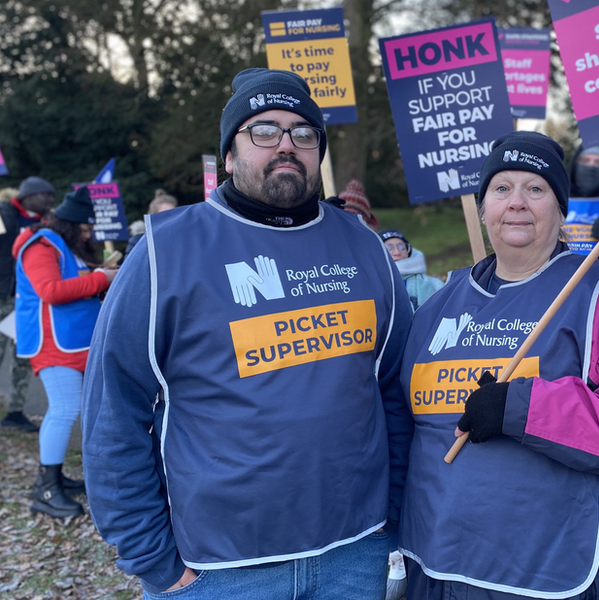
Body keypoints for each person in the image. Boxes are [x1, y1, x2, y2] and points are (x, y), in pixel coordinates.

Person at [82, 68, 414, 599]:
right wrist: (153, 558)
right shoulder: (166, 250)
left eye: (303, 134)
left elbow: (397, 390)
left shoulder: (364, 246)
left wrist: (392, 512)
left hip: (354, 554)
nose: (286, 145)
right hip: (218, 569)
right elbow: (112, 409)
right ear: (230, 155)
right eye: (263, 130)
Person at [398, 131, 599, 599]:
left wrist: (522, 407)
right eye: (501, 188)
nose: (516, 203)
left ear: (560, 207)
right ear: (482, 205)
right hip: (438, 566)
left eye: (535, 189)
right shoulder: (439, 306)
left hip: (551, 573)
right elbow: (403, 427)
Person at [14, 185, 116, 517]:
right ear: (71, 224)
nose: (89, 235)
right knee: (64, 409)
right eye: (85, 229)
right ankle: (44, 489)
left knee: (78, 408)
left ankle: (57, 479)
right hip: (51, 341)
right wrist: (102, 277)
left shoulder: (65, 246)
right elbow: (51, 291)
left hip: (73, 340)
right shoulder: (40, 246)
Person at [0, 177, 55, 432]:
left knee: (23, 356)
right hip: (3, 295)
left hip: (29, 301)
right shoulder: (4, 215)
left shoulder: (50, 223)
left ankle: (15, 411)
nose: (50, 201)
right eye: (46, 195)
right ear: (28, 196)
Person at [379, 228, 443, 311]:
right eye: (388, 248)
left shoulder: (434, 284)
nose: (397, 252)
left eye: (402, 247)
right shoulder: (372, 285)